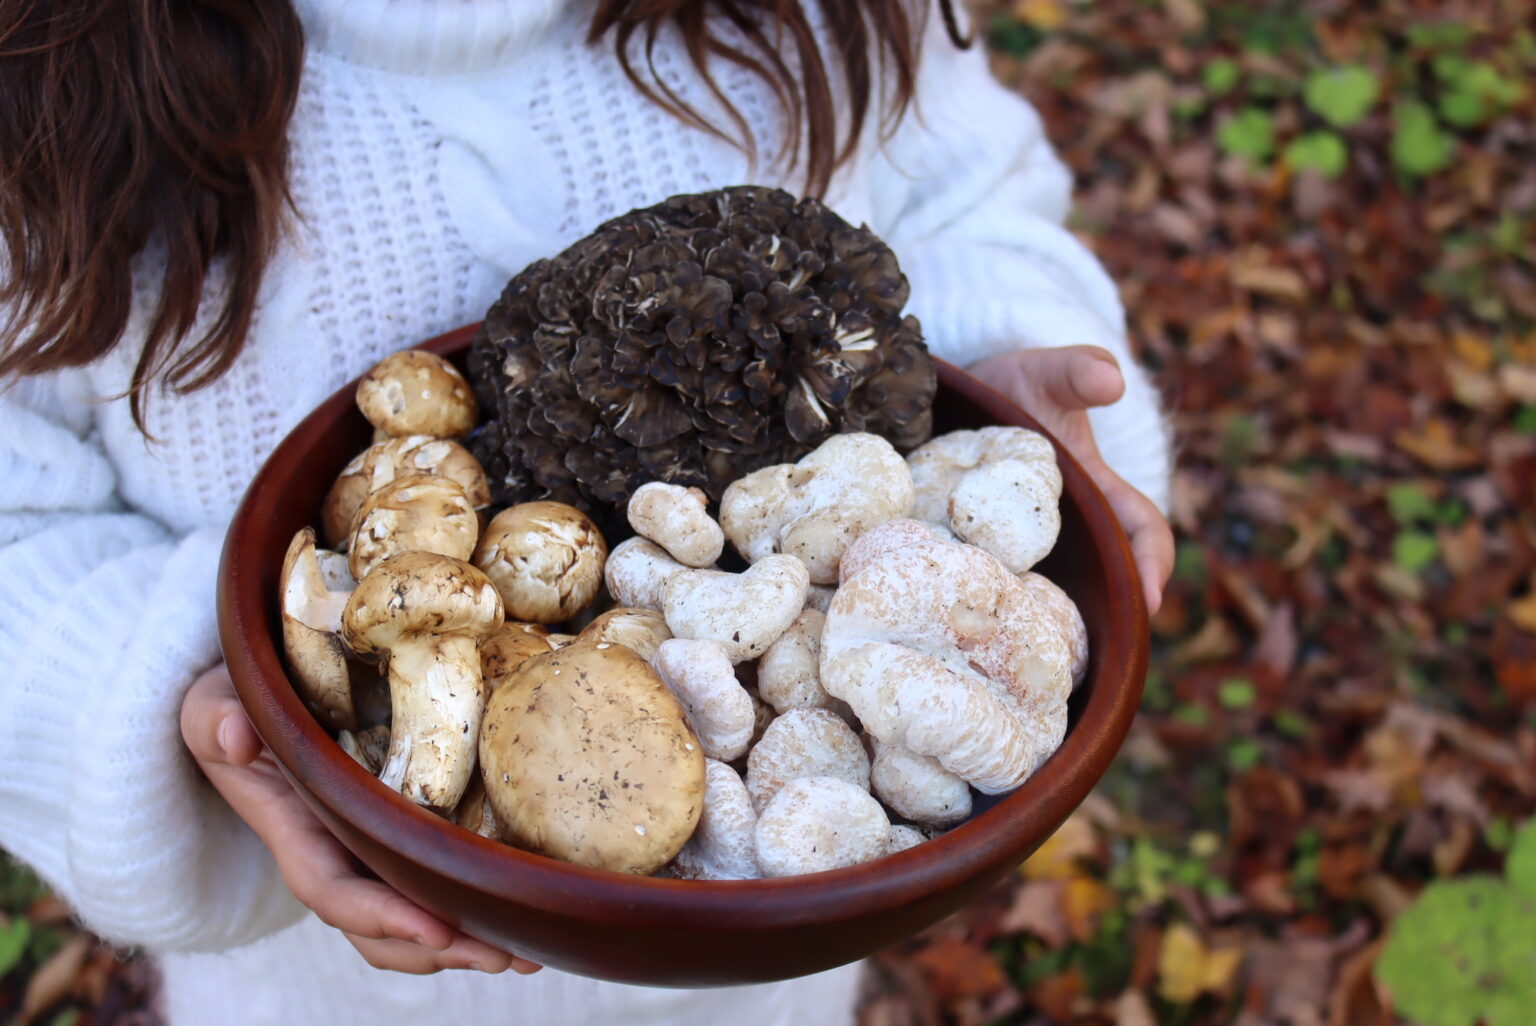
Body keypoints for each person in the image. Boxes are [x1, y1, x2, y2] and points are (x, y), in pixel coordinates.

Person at [0, 1, 1174, 1023]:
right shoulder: (44, 79)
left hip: (781, 954)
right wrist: (180, 702)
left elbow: (966, 192)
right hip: (319, 991)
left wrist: (1002, 384)